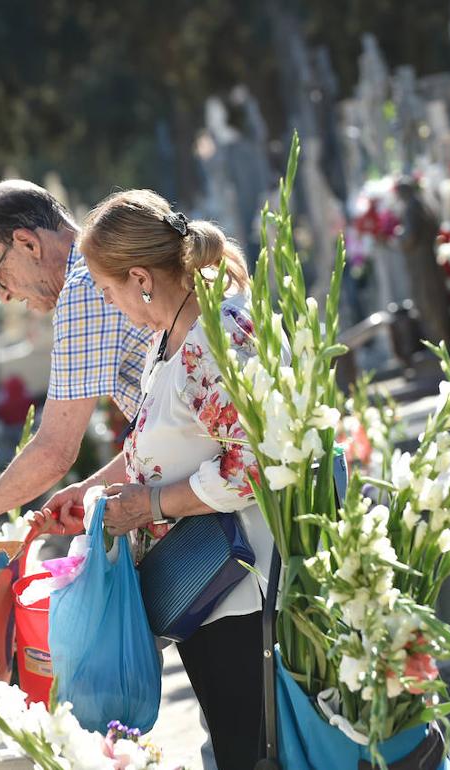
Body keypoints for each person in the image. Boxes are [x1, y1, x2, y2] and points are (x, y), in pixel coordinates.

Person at [38, 190, 272, 769]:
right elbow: (161, 445)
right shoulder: (172, 341)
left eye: (109, 289)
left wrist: (151, 507)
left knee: (252, 752)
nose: (111, 304)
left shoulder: (215, 341)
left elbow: (254, 466)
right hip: (206, 589)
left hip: (243, 592)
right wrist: (92, 491)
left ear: (140, 277)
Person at [0, 180, 149, 536]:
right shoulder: (106, 264)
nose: (3, 297)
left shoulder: (83, 287)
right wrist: (90, 487)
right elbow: (166, 431)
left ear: (28, 243)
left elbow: (54, 451)